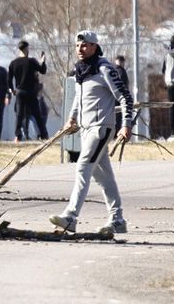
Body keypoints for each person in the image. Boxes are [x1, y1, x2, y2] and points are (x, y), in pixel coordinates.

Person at [49, 30, 132, 235]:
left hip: (101, 127)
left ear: (95, 46)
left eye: (85, 45)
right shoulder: (81, 70)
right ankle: (117, 219)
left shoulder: (105, 68)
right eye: (77, 46)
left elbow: (125, 97)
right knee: (103, 177)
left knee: (83, 166)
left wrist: (126, 124)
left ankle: (71, 216)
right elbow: (78, 99)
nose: (80, 49)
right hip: (86, 129)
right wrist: (71, 118)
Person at [7, 40, 48, 141]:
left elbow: (9, 78)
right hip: (30, 92)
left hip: (20, 91)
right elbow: (42, 70)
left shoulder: (13, 63)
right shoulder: (32, 61)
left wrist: (11, 89)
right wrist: (42, 61)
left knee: (19, 115)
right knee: (37, 114)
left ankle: (17, 135)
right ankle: (43, 135)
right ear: (26, 49)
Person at [113, 56, 129, 133]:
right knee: (119, 117)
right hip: (120, 98)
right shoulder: (122, 71)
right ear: (122, 62)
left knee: (114, 117)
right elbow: (123, 85)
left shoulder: (111, 70)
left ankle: (113, 134)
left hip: (112, 98)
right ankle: (116, 134)